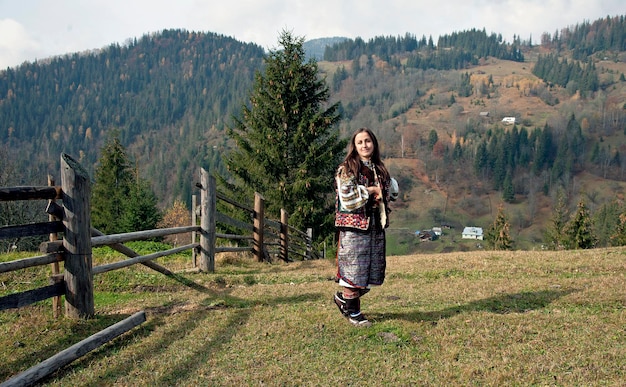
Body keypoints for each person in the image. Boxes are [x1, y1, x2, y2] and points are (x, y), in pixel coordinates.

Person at [333, 127, 398, 327]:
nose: (364, 145)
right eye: (360, 142)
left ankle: (344, 299)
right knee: (354, 270)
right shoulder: (347, 168)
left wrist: (387, 189)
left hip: (375, 226)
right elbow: (347, 199)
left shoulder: (379, 168)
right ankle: (354, 312)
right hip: (354, 229)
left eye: (368, 141)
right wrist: (370, 190)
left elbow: (390, 193)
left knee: (371, 271)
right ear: (354, 146)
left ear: (374, 143)